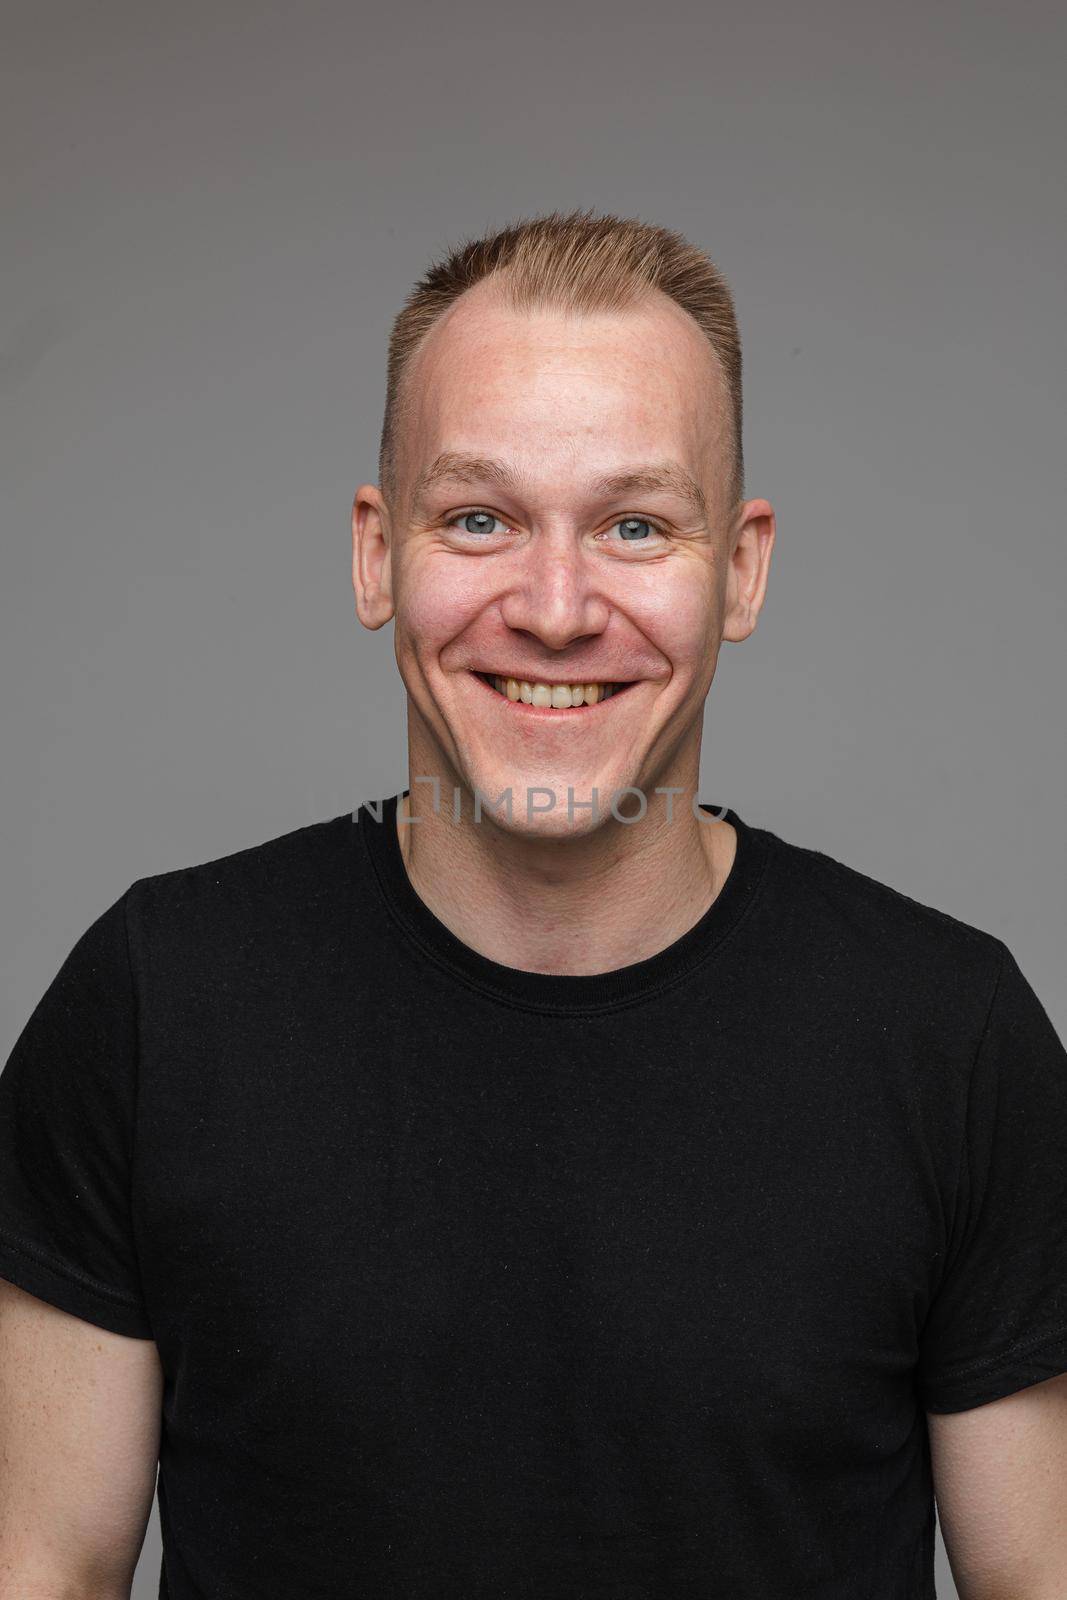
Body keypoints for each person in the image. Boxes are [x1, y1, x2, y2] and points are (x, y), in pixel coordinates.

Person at [1, 207, 1064, 1600]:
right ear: (379, 554)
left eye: (633, 523)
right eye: (481, 518)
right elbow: (42, 1568)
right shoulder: (153, 1005)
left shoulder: (952, 1038)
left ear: (738, 569)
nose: (556, 608)